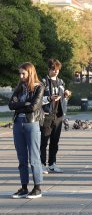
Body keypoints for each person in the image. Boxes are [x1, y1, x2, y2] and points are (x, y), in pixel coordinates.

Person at [9, 63, 45, 199]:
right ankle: (24, 187)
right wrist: (24, 104)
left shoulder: (39, 87)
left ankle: (37, 187)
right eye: (20, 73)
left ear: (30, 73)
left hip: (32, 123)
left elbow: (34, 107)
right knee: (21, 157)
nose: (21, 76)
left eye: (23, 73)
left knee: (34, 157)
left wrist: (21, 106)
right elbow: (11, 105)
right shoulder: (19, 87)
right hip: (18, 123)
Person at [40, 58, 71, 174]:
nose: (56, 71)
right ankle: (42, 164)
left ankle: (52, 164)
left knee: (54, 141)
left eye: (57, 69)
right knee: (43, 141)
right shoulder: (43, 82)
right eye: (53, 69)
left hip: (58, 115)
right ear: (49, 69)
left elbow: (63, 99)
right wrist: (49, 98)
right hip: (47, 115)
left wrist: (66, 96)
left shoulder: (61, 82)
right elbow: (37, 100)